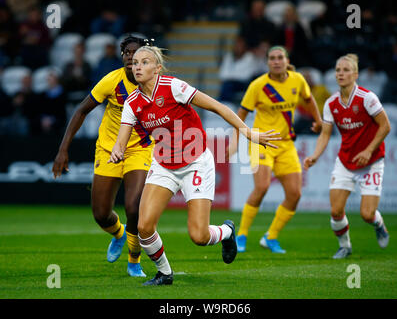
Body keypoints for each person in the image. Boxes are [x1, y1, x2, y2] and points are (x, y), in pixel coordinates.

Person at [108, 44, 280, 286]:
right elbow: (121, 140)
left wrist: (248, 132)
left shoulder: (173, 87)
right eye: (135, 62)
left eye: (144, 62)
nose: (138, 66)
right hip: (164, 165)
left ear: (158, 68)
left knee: (199, 236)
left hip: (195, 163)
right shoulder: (133, 102)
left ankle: (227, 231)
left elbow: (218, 106)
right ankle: (164, 273)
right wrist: (116, 151)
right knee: (144, 226)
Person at [52, 35, 152, 277]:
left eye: (135, 53)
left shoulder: (154, 83)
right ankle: (119, 234)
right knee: (100, 214)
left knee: (133, 206)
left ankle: (134, 260)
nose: (131, 57)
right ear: (122, 56)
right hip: (108, 149)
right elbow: (81, 110)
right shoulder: (111, 81)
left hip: (140, 148)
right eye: (126, 53)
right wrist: (63, 149)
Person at [228, 46, 322, 254]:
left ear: (287, 60)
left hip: (286, 144)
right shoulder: (258, 85)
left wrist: (318, 120)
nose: (276, 61)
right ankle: (241, 235)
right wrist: (235, 141)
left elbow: (308, 99)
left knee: (295, 194)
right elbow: (240, 115)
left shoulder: (297, 80)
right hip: (261, 142)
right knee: (261, 188)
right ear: (268, 62)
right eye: (272, 58)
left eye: (280, 57)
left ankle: (270, 237)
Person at [303, 54, 391, 259]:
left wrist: (368, 150)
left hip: (372, 162)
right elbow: (325, 134)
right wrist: (315, 155)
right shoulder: (331, 103)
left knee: (367, 214)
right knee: (335, 211)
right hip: (345, 161)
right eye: (338, 70)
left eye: (345, 70)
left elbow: (385, 126)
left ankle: (379, 224)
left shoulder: (367, 98)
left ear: (356, 74)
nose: (341, 74)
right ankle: (345, 246)